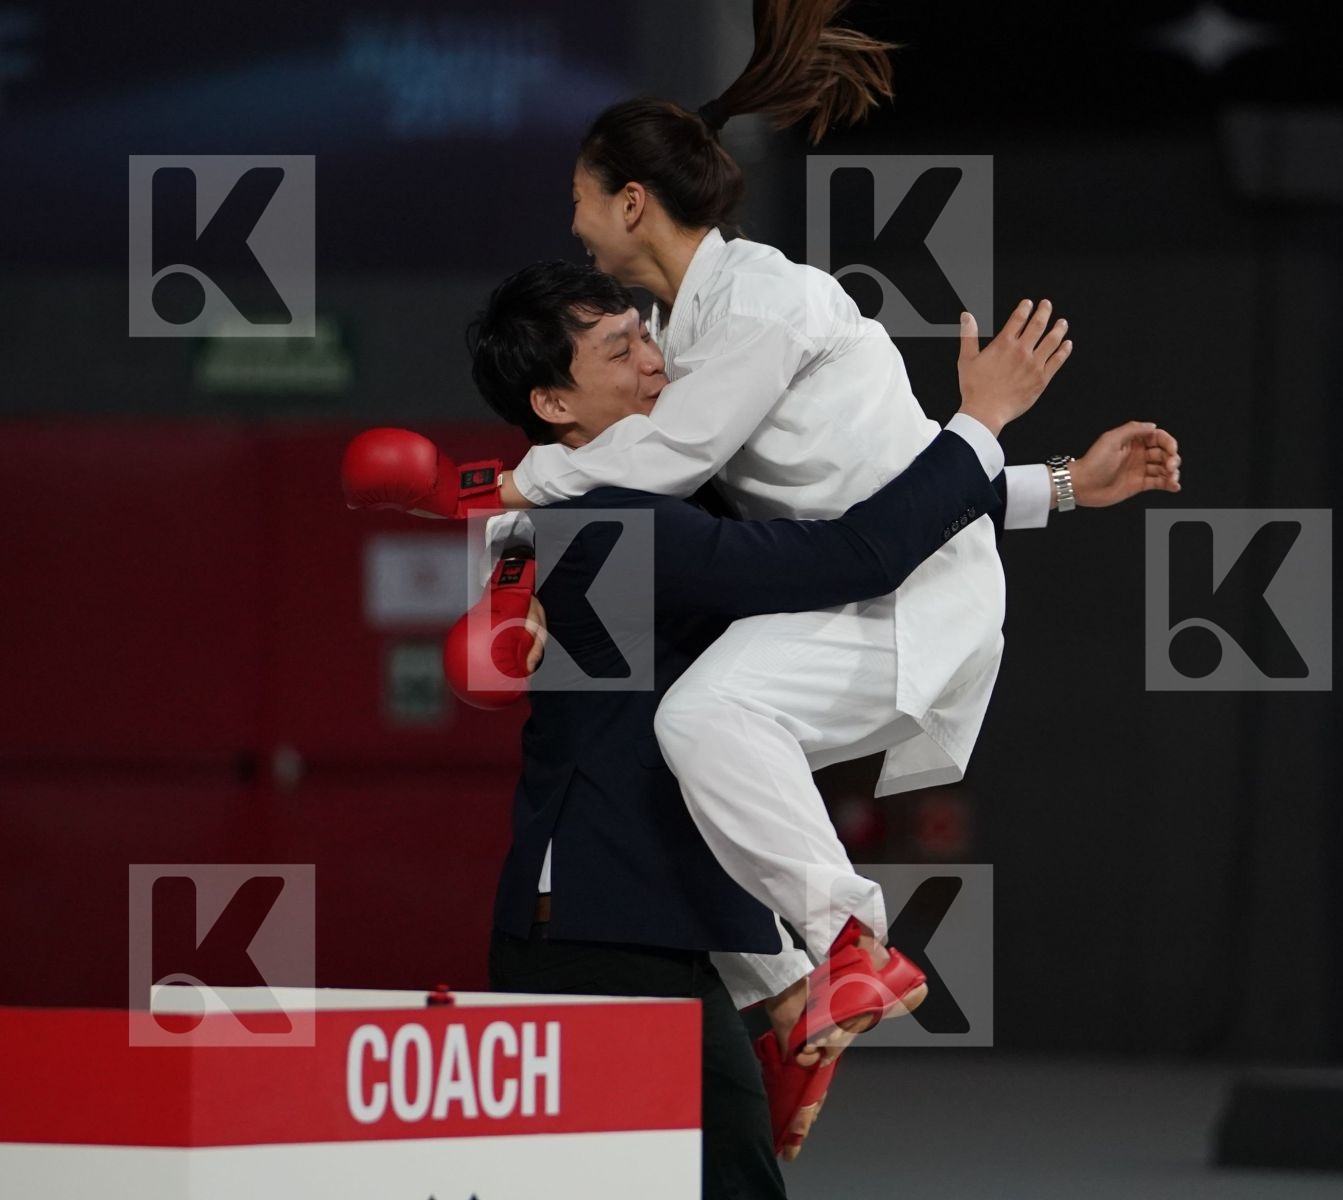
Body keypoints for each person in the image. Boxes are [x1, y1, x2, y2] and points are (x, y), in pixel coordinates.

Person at [343, 0, 1181, 1159]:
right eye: (615, 350)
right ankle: (801, 985)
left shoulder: (742, 330)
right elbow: (842, 504)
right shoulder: (654, 438)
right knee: (713, 746)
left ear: (631, 201)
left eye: (585, 201)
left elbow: (848, 532)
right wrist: (1054, 484)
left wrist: (484, 499)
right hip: (624, 894)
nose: (642, 351)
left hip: (877, 626)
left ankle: (833, 957)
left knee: (709, 718)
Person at [365, 258, 1058, 1197]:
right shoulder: (618, 528)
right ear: (554, 401)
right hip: (603, 929)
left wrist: (1057, 487)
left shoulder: (647, 497)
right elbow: (856, 551)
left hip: (667, 918)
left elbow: (849, 498)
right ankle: (802, 979)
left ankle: (783, 990)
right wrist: (980, 420)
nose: (657, 363)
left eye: (647, 333)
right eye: (620, 351)